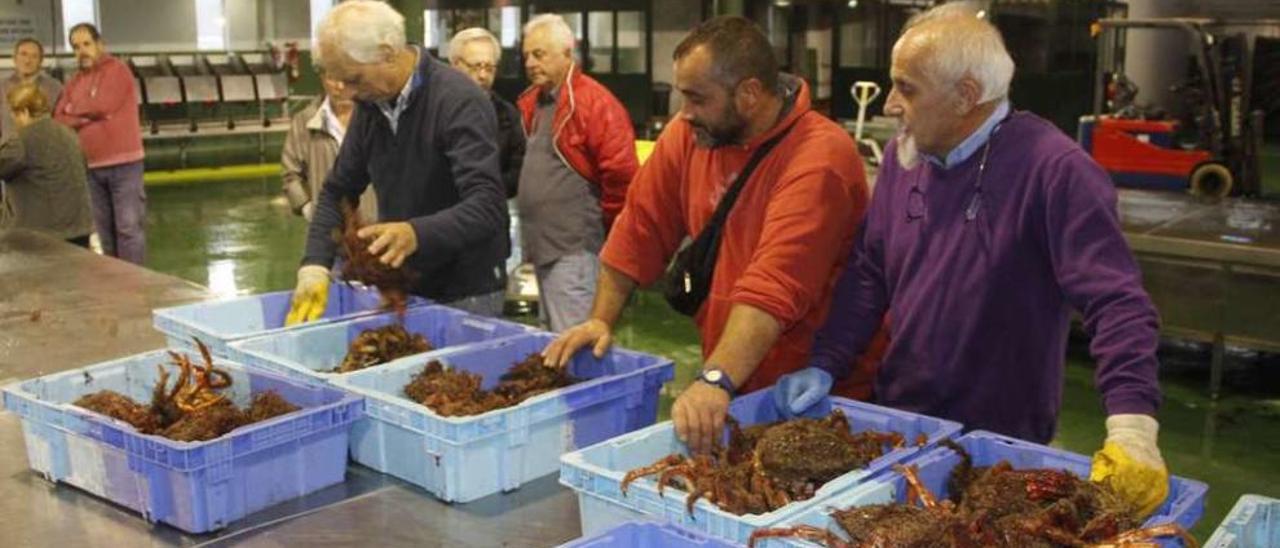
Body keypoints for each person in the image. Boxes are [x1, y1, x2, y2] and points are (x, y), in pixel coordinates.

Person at [775, 3, 1169, 518]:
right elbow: (870, 275)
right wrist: (826, 363)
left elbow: (1116, 301)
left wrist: (1133, 423)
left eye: (907, 88)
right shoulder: (902, 158)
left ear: (965, 95)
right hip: (903, 420)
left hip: (1002, 443)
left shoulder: (1055, 171)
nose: (892, 104)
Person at [542, 16, 870, 454]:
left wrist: (717, 378)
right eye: (682, 95)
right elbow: (640, 227)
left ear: (749, 94)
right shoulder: (692, 135)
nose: (684, 112)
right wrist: (600, 318)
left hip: (811, 386)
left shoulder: (820, 157)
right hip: (731, 370)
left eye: (697, 98)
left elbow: (775, 284)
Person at [287, 0, 508, 323]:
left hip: (467, 290)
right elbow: (338, 191)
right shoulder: (371, 106)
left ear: (388, 52)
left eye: (354, 78)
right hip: (406, 283)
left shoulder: (458, 101)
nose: (347, 93)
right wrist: (314, 265)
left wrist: (415, 233)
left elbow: (488, 206)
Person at [515, 14, 638, 332]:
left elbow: (623, 175)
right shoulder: (534, 103)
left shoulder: (595, 103)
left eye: (539, 54)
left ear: (567, 54)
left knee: (573, 343)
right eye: (526, 55)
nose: (530, 62)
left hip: (574, 249)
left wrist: (607, 231)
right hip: (543, 247)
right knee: (553, 340)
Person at [53, 23, 146, 265]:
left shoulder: (118, 71)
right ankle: (117, 285)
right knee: (105, 233)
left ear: (99, 45)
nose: (81, 51)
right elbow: (59, 117)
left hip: (125, 164)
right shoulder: (74, 81)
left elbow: (104, 105)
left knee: (128, 229)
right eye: (76, 47)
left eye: (86, 44)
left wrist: (76, 110)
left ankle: (134, 285)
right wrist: (86, 113)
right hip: (92, 166)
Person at [0, 83, 92, 246]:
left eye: (14, 114)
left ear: (24, 112)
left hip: (44, 237)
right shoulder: (69, 134)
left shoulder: (23, 140)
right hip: (81, 230)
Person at [281, 71, 376, 222]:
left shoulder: (376, 118)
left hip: (377, 225)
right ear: (322, 78)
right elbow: (291, 174)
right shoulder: (304, 121)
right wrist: (307, 208)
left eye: (347, 79)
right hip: (326, 229)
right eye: (333, 78)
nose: (340, 86)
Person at [448, 27, 525, 199]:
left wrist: (485, 195)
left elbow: (517, 170)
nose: (483, 75)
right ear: (454, 65)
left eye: (489, 68)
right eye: (475, 67)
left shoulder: (507, 115)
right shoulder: (435, 109)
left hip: (489, 211)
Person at [1, 38, 63, 139]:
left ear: (41, 61)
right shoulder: (2, 87)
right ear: (14, 58)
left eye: (34, 56)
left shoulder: (55, 88)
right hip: (8, 148)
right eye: (23, 54)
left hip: (43, 148)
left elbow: (60, 125)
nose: (28, 60)